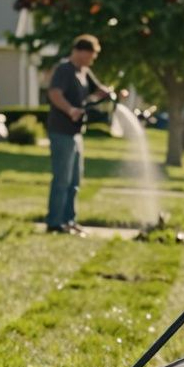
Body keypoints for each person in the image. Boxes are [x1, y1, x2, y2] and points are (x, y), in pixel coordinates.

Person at [45, 34, 115, 236]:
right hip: (61, 130)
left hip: (76, 133)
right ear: (80, 51)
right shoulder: (64, 70)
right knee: (62, 179)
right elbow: (54, 94)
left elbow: (99, 90)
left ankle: (69, 221)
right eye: (91, 56)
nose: (92, 60)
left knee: (75, 180)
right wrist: (70, 110)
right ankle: (55, 222)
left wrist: (110, 93)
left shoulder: (84, 71)